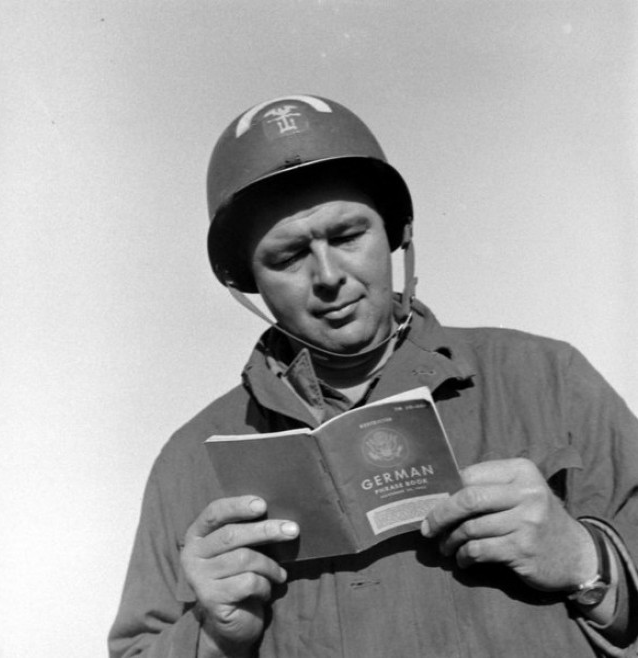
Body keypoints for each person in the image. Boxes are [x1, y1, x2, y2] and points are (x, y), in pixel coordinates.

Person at [109, 94, 638, 657]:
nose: (329, 275)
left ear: (395, 233)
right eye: (288, 257)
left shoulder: (548, 379)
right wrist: (213, 636)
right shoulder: (193, 459)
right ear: (249, 283)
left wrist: (587, 561)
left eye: (346, 236)